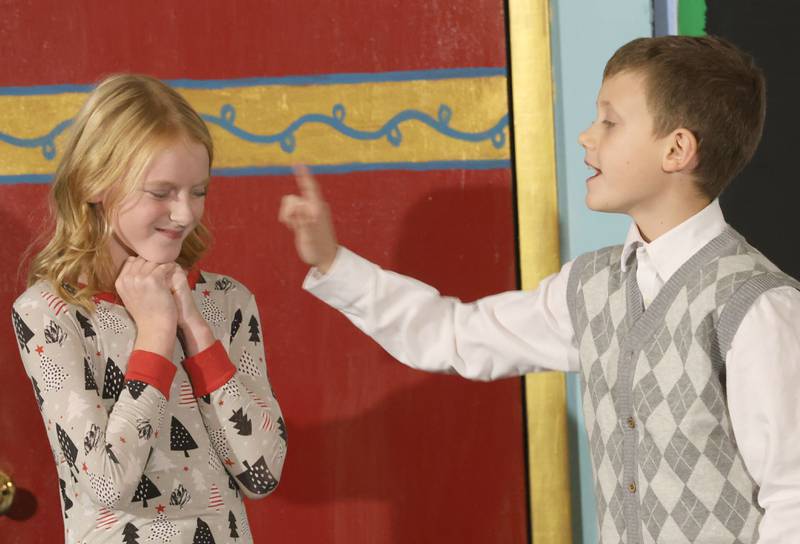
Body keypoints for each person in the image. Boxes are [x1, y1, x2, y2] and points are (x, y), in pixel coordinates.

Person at [279, 36, 800, 543]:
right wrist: (333, 262)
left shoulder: (756, 305)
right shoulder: (590, 286)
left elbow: (793, 498)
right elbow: (459, 335)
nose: (586, 136)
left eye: (610, 122)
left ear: (677, 149)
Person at [12, 74, 286, 544]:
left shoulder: (227, 302)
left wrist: (194, 328)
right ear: (96, 183)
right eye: (161, 193)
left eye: (198, 191)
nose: (184, 214)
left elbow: (261, 473)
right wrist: (156, 336)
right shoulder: (49, 314)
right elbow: (104, 484)